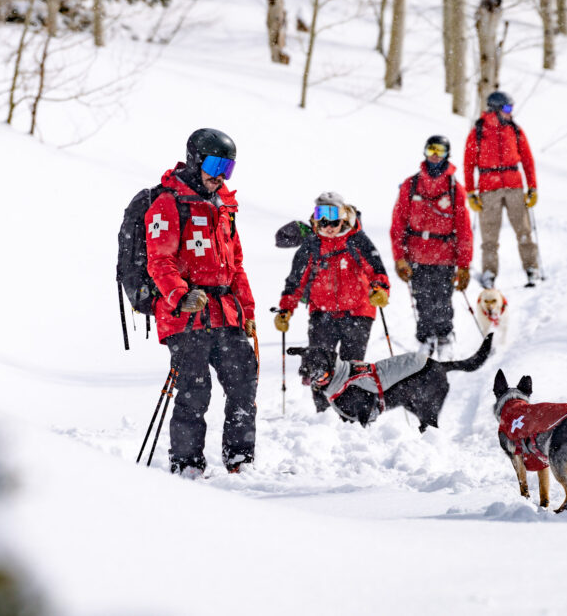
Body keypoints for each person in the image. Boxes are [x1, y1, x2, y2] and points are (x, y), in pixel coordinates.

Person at [144, 128, 258, 477]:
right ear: (195, 160)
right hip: (185, 315)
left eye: (228, 168)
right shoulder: (169, 203)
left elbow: (235, 264)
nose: (220, 176)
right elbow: (159, 260)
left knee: (243, 385)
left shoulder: (225, 206)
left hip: (225, 312)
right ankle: (187, 465)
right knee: (195, 391)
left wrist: (247, 311)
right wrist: (180, 295)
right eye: (214, 165)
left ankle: (240, 461)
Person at [274, 191, 390, 412]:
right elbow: (295, 281)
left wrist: (380, 289)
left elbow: (377, 270)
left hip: (357, 312)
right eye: (322, 218)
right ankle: (323, 412)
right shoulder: (312, 245)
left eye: (333, 217)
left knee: (351, 366)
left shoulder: (357, 239)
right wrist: (285, 310)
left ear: (344, 216)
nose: (328, 224)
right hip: (322, 313)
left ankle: (349, 412)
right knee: (317, 364)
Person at [390, 135, 473, 359]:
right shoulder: (411, 184)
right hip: (417, 255)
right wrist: (399, 257)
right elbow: (398, 224)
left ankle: (445, 337)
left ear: (447, 154)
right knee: (422, 299)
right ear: (425, 152)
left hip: (445, 256)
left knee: (443, 299)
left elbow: (464, 229)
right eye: (431, 149)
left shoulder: (455, 188)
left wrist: (464, 264)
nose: (435, 155)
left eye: (440, 150)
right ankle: (426, 339)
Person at [463, 91, 540, 288]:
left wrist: (532, 187)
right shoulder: (478, 131)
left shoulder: (514, 129)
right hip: (489, 189)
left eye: (511, 108)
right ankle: (489, 273)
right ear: (495, 109)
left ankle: (532, 268)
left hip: (514, 186)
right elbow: (468, 163)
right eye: (507, 108)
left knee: (524, 231)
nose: (510, 112)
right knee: (489, 236)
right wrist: (471, 192)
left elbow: (528, 159)